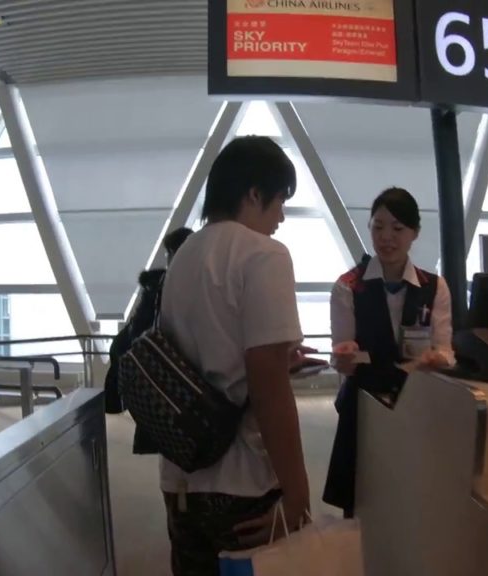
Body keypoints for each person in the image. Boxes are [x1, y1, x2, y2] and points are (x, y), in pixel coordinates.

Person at [158, 136, 310, 575]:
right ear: (254, 194)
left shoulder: (184, 256)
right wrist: (298, 497)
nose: (281, 216)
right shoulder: (263, 255)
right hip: (241, 485)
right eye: (280, 201)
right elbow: (268, 387)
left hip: (180, 481)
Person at [324, 187, 454, 518]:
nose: (386, 237)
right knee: (362, 508)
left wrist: (438, 360)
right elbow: (345, 364)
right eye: (378, 226)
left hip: (416, 405)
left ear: (415, 233)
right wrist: (344, 356)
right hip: (363, 409)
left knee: (414, 505)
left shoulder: (433, 286)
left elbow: (445, 350)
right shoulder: (347, 286)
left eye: (398, 229)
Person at [104, 226, 193, 454]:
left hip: (160, 378)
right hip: (172, 377)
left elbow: (136, 333)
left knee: (173, 443)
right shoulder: (169, 288)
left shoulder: (157, 287)